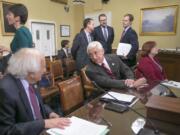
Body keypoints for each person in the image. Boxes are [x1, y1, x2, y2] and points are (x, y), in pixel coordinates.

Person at [0, 48, 70, 135]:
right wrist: (44, 123)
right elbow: (6, 131)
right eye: (43, 66)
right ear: (30, 71)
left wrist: (49, 113)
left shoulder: (30, 79)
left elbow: (37, 103)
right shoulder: (5, 90)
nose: (45, 70)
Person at [0, 4, 33, 73]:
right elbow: (21, 50)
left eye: (9, 14)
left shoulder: (20, 31)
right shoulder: (25, 30)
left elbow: (23, 54)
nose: (6, 16)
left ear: (17, 18)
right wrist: (7, 49)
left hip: (21, 71)